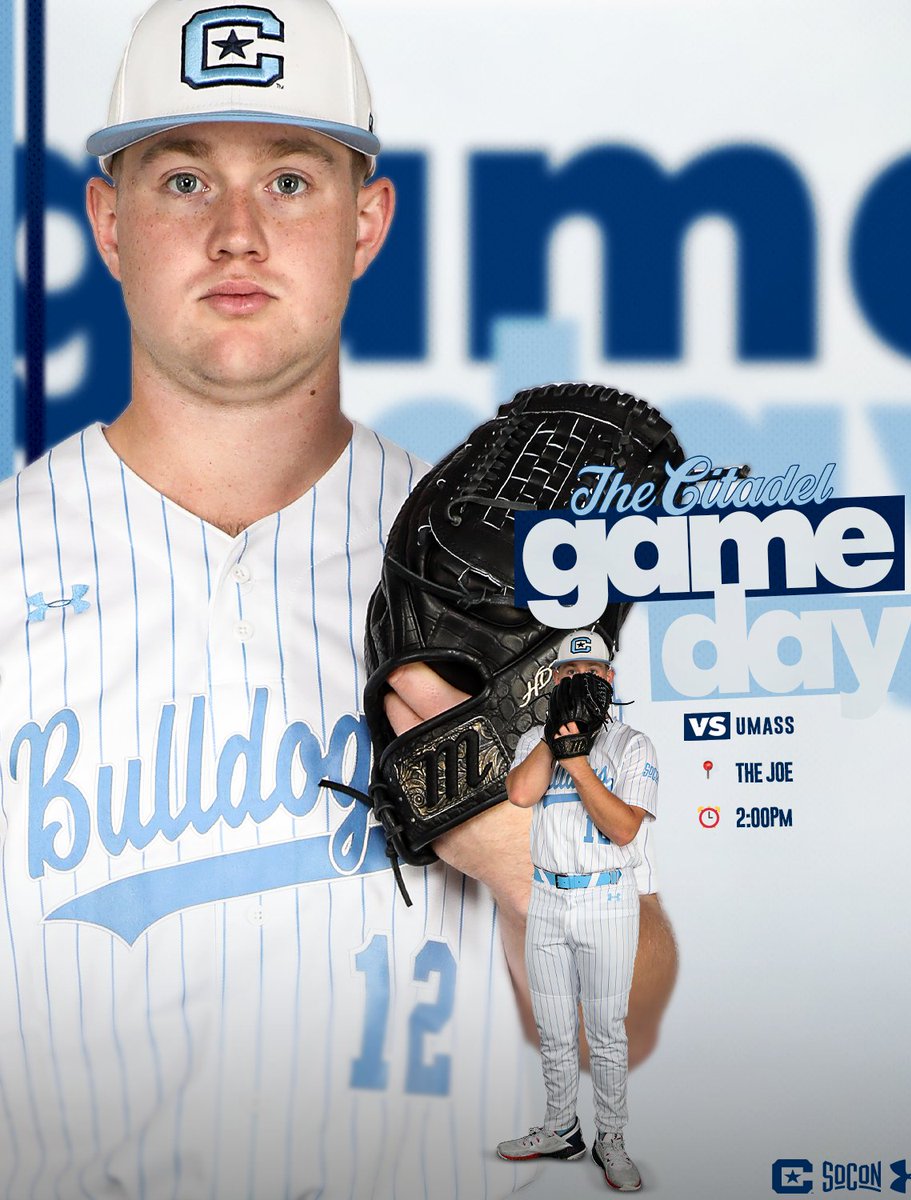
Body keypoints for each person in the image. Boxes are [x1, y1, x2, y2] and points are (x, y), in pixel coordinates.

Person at [0, 1, 676, 1195]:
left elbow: (628, 1024)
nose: (239, 235)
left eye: (294, 181)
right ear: (109, 221)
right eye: (184, 180)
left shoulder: (508, 578)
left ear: (368, 222)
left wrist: (524, 859)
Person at [496, 630, 656, 1191]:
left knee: (606, 1030)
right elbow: (520, 794)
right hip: (547, 900)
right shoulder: (536, 742)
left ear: (609, 680)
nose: (577, 681)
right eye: (566, 675)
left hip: (607, 898)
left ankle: (610, 1139)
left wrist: (580, 761)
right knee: (555, 1027)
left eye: (589, 673)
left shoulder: (633, 745)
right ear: (553, 682)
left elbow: (623, 827)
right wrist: (554, 739)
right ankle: (561, 1129)